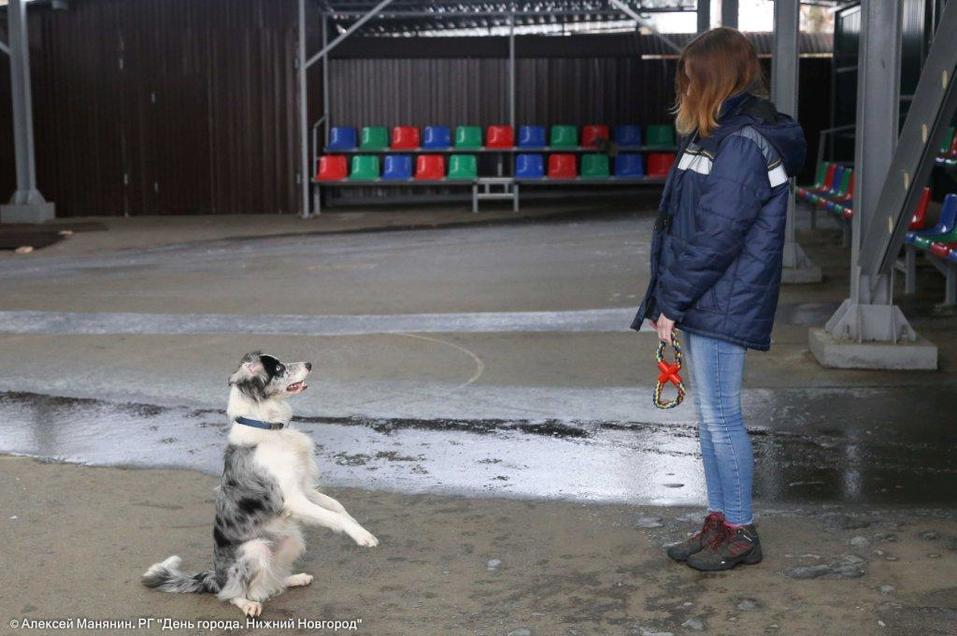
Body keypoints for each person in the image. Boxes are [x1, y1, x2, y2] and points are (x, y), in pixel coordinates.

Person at [631, 27, 806, 571]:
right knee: (711, 417)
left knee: (722, 416)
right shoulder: (715, 133)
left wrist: (671, 304)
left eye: (689, 77)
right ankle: (720, 521)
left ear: (710, 79)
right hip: (709, 294)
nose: (682, 87)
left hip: (723, 298)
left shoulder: (739, 143)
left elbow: (716, 236)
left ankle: (741, 530)